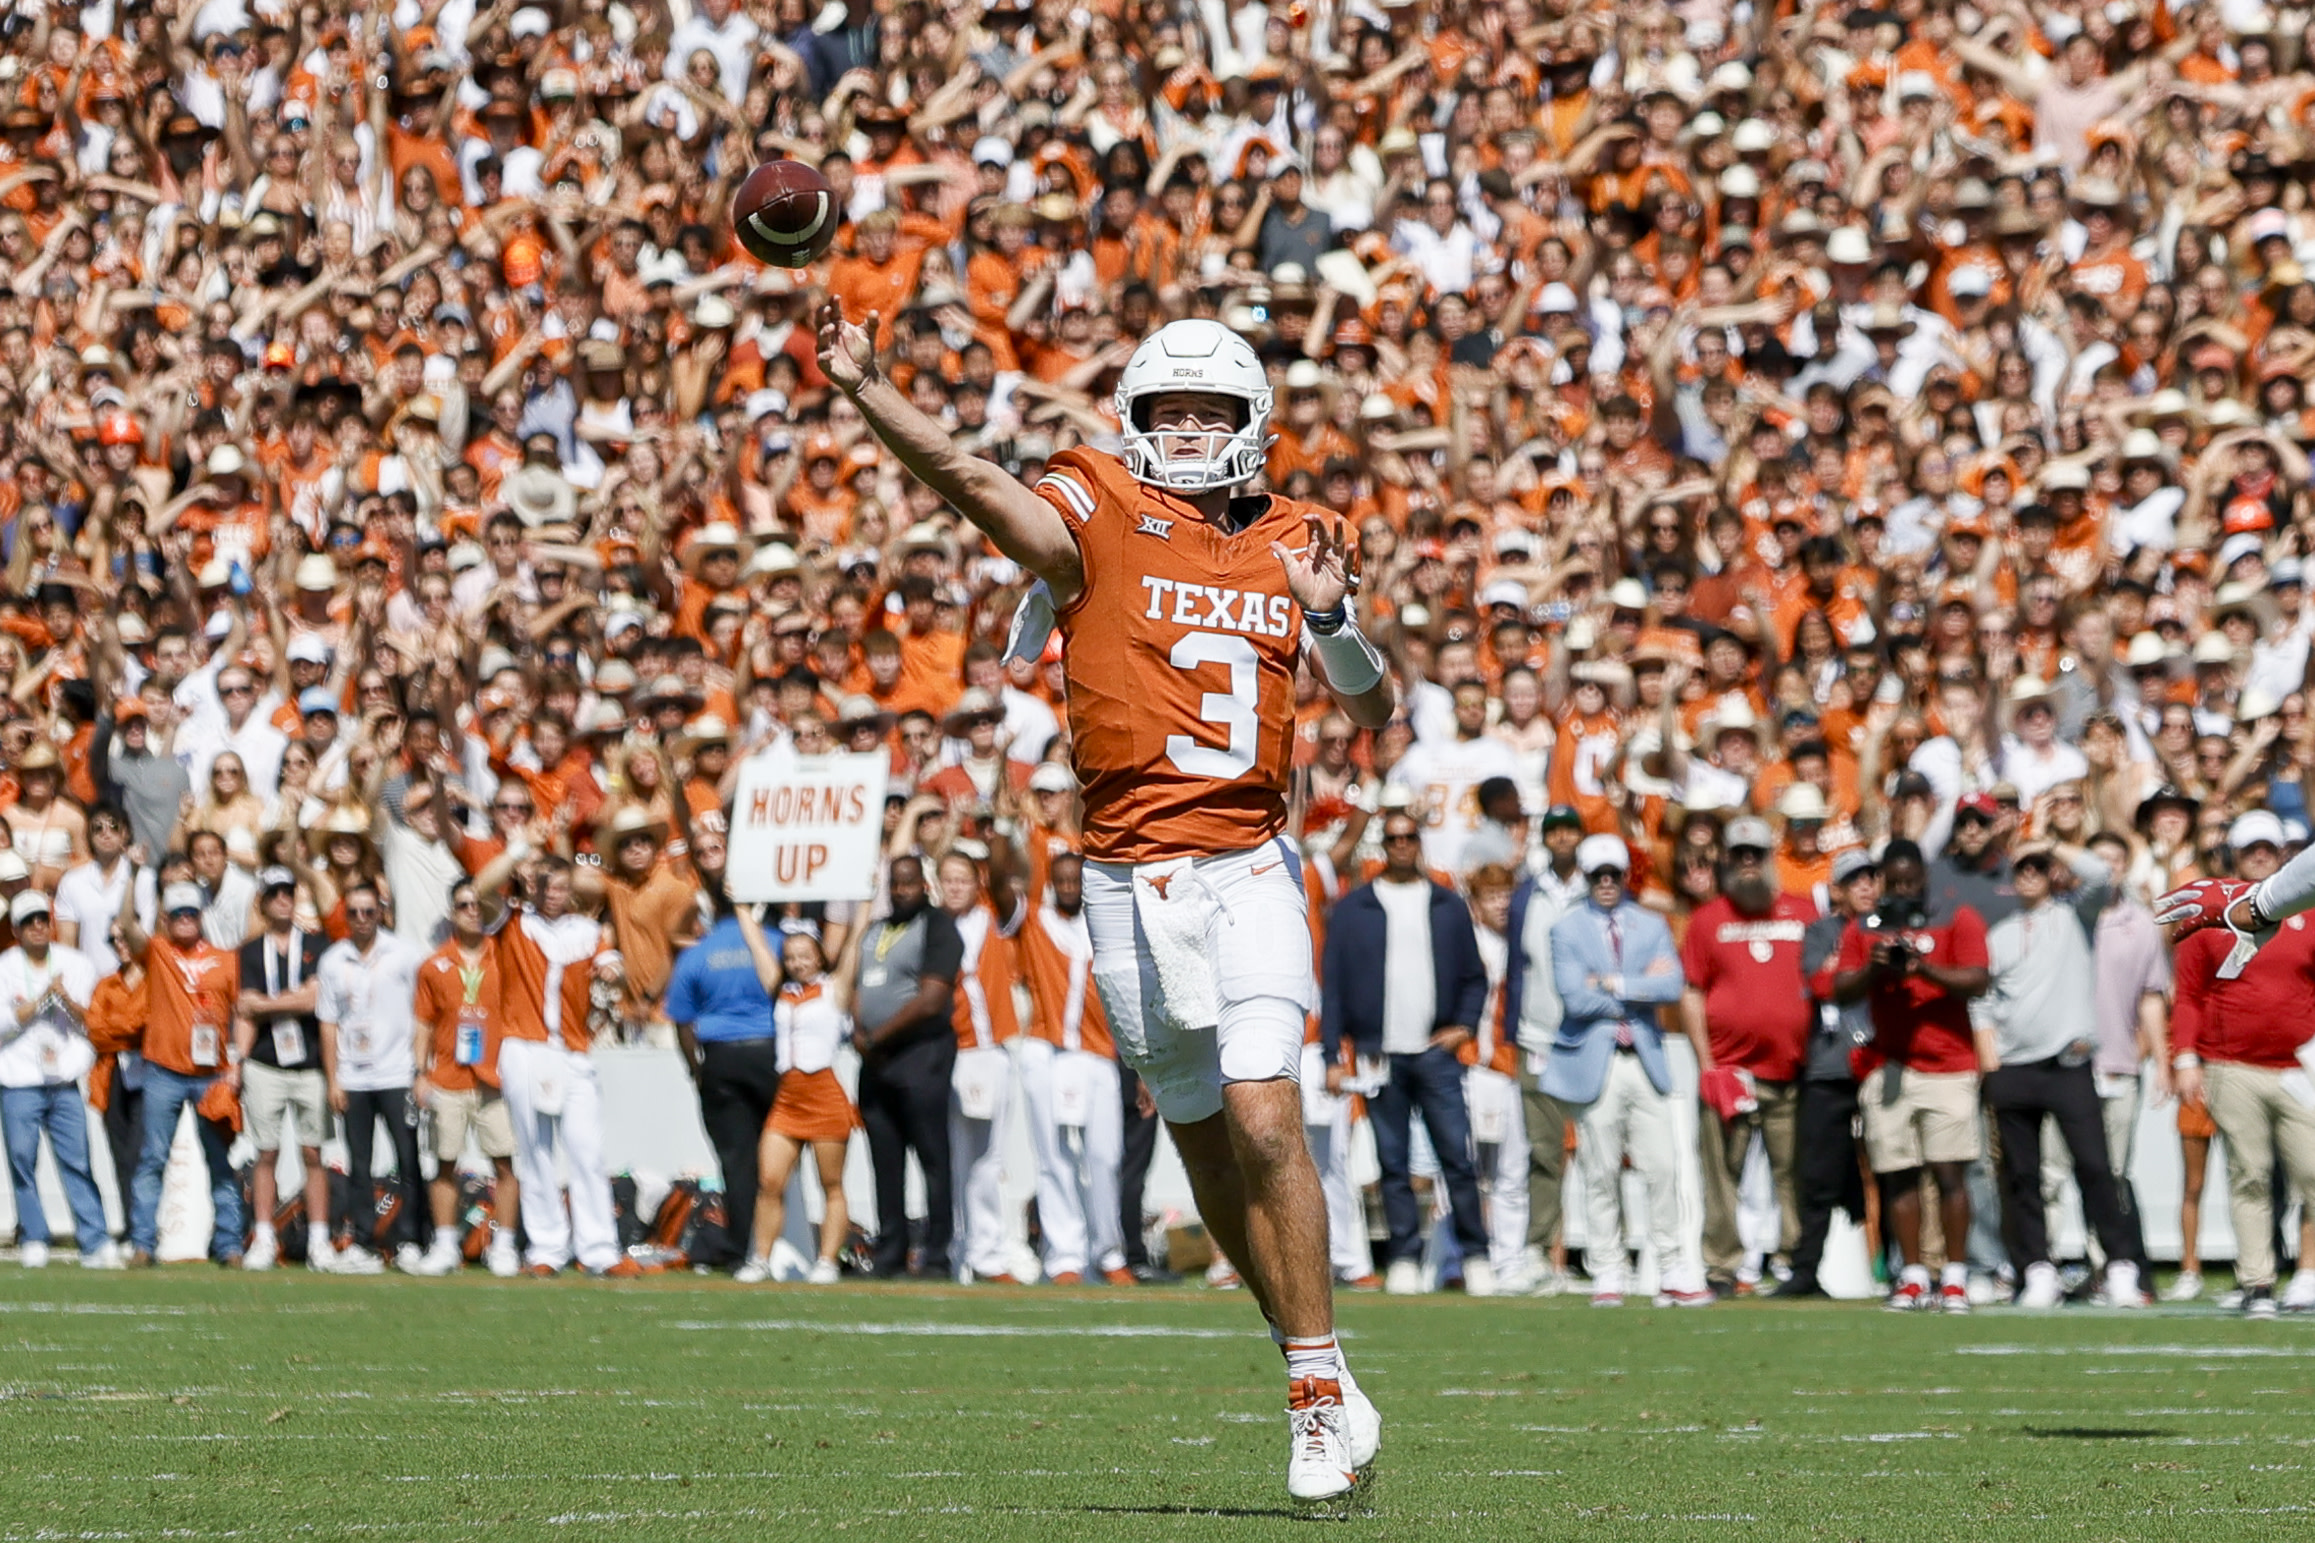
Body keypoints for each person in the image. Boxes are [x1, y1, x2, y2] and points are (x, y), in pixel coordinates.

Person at [822, 303, 1394, 1500]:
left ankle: (1308, 1387)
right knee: (1198, 1140)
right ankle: (1318, 1369)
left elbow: (1373, 712)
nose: (1187, 430)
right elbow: (983, 484)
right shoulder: (1098, 506)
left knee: (1262, 1112)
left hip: (1245, 864)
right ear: (1134, 419)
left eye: (1210, 411)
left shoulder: (1296, 534)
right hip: (1126, 884)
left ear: (1251, 423)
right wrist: (869, 392)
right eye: (1168, 409)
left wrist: (1331, 616)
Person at [1319, 812, 1490, 1296]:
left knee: (1456, 1157)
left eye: (1409, 837)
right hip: (1378, 1054)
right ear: (1382, 844)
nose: (1401, 845)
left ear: (1420, 842)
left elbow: (1474, 978)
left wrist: (1463, 1027)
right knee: (1393, 1164)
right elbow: (1333, 986)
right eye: (1392, 838)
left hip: (1435, 1053)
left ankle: (1475, 1255)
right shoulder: (1355, 909)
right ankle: (1404, 1258)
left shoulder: (1446, 904)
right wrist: (1334, 1054)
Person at [1974, 841, 2149, 1308]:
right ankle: (2036, 1268)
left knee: (2095, 1168)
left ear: (2051, 873)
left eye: (2038, 868)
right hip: (2012, 1068)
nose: (2030, 874)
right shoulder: (2000, 934)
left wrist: (2049, 845)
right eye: (2022, 868)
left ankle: (2119, 1267)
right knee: (2022, 1177)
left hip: (2068, 1066)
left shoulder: (2076, 914)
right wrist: (1990, 1062)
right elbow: (1982, 1001)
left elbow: (2099, 876)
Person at [2163, 814, 2315, 1317]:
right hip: (2234, 1063)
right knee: (2249, 1173)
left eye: (2268, 846)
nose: (2260, 854)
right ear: (2235, 851)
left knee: (2313, 1173)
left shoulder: (2308, 911)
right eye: (2251, 847)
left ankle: (2309, 1275)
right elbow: (2188, 994)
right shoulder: (2214, 913)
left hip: (2300, 1063)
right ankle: (2257, 1282)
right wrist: (2185, 1057)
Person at [1543, 834, 1703, 1307]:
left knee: (1663, 1167)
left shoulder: (1650, 925)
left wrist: (1611, 982)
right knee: (1599, 1169)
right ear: (1588, 879)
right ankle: (1608, 1270)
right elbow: (1573, 995)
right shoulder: (1567, 929)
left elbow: (1671, 983)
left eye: (1615, 874)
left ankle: (1673, 1267)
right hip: (1598, 1063)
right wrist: (1639, 988)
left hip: (1645, 1058)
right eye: (1599, 876)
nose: (1608, 883)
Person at [1833, 841, 1991, 1314]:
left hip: (1949, 1064)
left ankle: (1957, 1276)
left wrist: (1924, 968)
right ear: (1881, 880)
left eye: (1910, 881)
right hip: (1892, 1065)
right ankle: (1914, 1275)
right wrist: (1874, 969)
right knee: (1898, 1175)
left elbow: (1979, 979)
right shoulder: (1866, 927)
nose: (1902, 890)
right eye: (1894, 882)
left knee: (1950, 1173)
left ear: (1925, 877)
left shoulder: (1956, 917)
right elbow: (1839, 990)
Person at [477, 847, 642, 1280]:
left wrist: (613, 976)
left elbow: (617, 968)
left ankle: (600, 1249)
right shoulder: (514, 923)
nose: (557, 896)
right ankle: (547, 1248)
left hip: (572, 1050)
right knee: (535, 1152)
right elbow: (479, 888)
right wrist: (515, 850)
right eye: (550, 887)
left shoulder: (587, 931)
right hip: (524, 1047)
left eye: (563, 888)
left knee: (586, 1149)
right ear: (535, 888)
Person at [1679, 817, 1815, 1297]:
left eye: (1756, 854)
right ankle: (1721, 1263)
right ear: (1727, 860)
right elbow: (1693, 991)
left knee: (1793, 1171)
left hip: (1790, 1071)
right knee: (1720, 1174)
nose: (1749, 864)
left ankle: (1793, 1261)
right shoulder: (1707, 919)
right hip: (1731, 1071)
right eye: (1740, 855)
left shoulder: (1802, 913)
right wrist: (1707, 1063)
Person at [1011, 850, 1131, 1286]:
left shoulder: (1108, 928)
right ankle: (1064, 1255)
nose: (1068, 888)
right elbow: (1003, 877)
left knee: (1105, 1155)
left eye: (1075, 881)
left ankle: (1109, 1251)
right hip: (1047, 1050)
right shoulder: (1036, 922)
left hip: (1099, 1053)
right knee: (1054, 1156)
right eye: (1060, 881)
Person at [733, 906, 860, 1286]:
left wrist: (864, 900)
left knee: (831, 1184)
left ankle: (827, 1260)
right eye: (790, 957)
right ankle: (760, 1258)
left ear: (820, 956)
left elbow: (854, 941)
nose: (797, 963)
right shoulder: (781, 989)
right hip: (787, 1097)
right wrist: (740, 907)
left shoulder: (834, 988)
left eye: (805, 956)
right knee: (769, 1181)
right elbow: (755, 944)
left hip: (823, 1094)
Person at [851, 854, 964, 1279]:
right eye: (894, 885)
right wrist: (859, 1029)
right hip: (875, 1061)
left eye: (909, 883)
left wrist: (878, 1037)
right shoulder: (877, 929)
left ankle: (936, 1255)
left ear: (924, 885)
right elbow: (857, 983)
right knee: (884, 1159)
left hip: (921, 1055)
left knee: (932, 1158)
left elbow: (932, 998)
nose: (901, 891)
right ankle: (891, 1252)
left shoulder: (938, 926)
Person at [119, 882, 243, 1267]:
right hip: (164, 1071)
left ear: (201, 916)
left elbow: (241, 1015)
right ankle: (142, 1243)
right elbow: (126, 924)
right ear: (166, 919)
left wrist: (236, 1063)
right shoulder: (157, 951)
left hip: (213, 1074)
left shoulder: (227, 959)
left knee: (220, 1161)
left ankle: (230, 1246)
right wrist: (134, 873)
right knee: (152, 1159)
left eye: (191, 912)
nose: (186, 919)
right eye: (178, 914)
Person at [316, 881, 430, 1274]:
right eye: (354, 913)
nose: (362, 920)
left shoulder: (404, 955)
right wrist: (333, 1079)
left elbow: (423, 1014)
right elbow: (328, 1024)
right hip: (354, 1076)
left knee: (408, 1158)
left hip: (398, 1072)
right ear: (344, 916)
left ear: (381, 912)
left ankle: (413, 1240)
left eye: (369, 911)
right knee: (359, 1164)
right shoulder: (333, 960)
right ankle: (363, 1242)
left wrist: (420, 1070)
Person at [1498, 806, 1589, 1295]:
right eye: (1553, 832)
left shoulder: (1598, 887)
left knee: (1598, 1150)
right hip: (1538, 1037)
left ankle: (1600, 1253)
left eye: (1569, 830)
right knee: (1544, 1151)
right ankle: (1537, 1251)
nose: (1562, 839)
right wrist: (1513, 1030)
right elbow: (1517, 965)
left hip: (1589, 1040)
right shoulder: (1528, 894)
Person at [410, 877, 520, 1277]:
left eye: (478, 904)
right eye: (463, 905)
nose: (472, 911)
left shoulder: (506, 956)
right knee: (444, 1163)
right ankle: (445, 1245)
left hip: (495, 1079)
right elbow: (423, 1022)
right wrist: (420, 1073)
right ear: (451, 912)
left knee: (504, 1164)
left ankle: (504, 1245)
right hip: (448, 1078)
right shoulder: (433, 964)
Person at [667, 896, 781, 1272]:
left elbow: (682, 1021)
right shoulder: (775, 941)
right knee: (781, 1156)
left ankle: (741, 1249)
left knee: (736, 1161)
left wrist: (695, 1068)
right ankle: (778, 1246)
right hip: (773, 1053)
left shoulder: (698, 955)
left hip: (721, 1057)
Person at [0, 889, 113, 1268]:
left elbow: (88, 1023)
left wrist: (62, 997)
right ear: (16, 930)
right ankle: (34, 1236)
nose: (38, 927)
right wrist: (37, 1002)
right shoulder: (5, 967)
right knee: (21, 1160)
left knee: (78, 1160)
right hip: (18, 1080)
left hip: (62, 1080)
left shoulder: (76, 963)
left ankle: (95, 1240)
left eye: (43, 919)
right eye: (29, 922)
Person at [233, 867, 333, 1273]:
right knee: (266, 1153)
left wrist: (267, 1004)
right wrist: (236, 1062)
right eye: (274, 894)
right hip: (264, 1062)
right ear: (263, 900)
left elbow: (315, 1001)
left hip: (309, 1062)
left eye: (287, 893)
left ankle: (320, 1239)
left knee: (313, 1152)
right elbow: (243, 1009)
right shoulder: (250, 950)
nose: (282, 900)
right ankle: (263, 1235)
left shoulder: (316, 944)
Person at [1791, 849, 1877, 1300]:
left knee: (1893, 1168)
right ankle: (1806, 1270)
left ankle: (1907, 1267)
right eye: (1855, 880)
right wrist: (1855, 953)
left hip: (1879, 1060)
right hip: (1829, 1065)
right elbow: (1820, 982)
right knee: (1819, 1175)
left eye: (1870, 878)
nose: (1866, 886)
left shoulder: (1889, 929)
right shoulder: (1821, 932)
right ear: (1837, 890)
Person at [938, 846, 1025, 1285]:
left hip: (989, 1051)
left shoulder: (992, 918)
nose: (955, 887)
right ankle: (956, 1250)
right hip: (945, 1053)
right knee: (951, 1158)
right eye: (948, 878)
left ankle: (988, 1252)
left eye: (963, 879)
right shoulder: (932, 925)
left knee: (988, 1161)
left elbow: (1010, 883)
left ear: (977, 884)